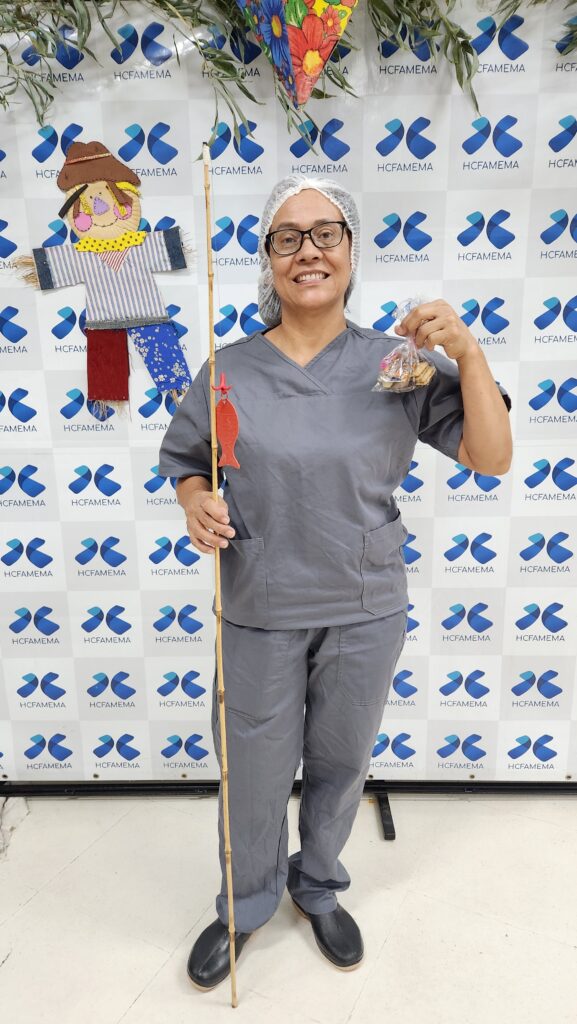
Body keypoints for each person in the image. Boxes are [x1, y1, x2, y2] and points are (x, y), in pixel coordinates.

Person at [158, 175, 512, 990]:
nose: (307, 251)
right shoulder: (229, 369)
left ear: (351, 251)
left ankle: (316, 886)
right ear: (267, 258)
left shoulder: (398, 365)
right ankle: (246, 904)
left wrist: (468, 353)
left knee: (340, 760)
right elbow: (186, 462)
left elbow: (490, 457)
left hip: (363, 603)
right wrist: (194, 500)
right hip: (260, 602)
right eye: (287, 237)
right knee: (251, 770)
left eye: (325, 233)